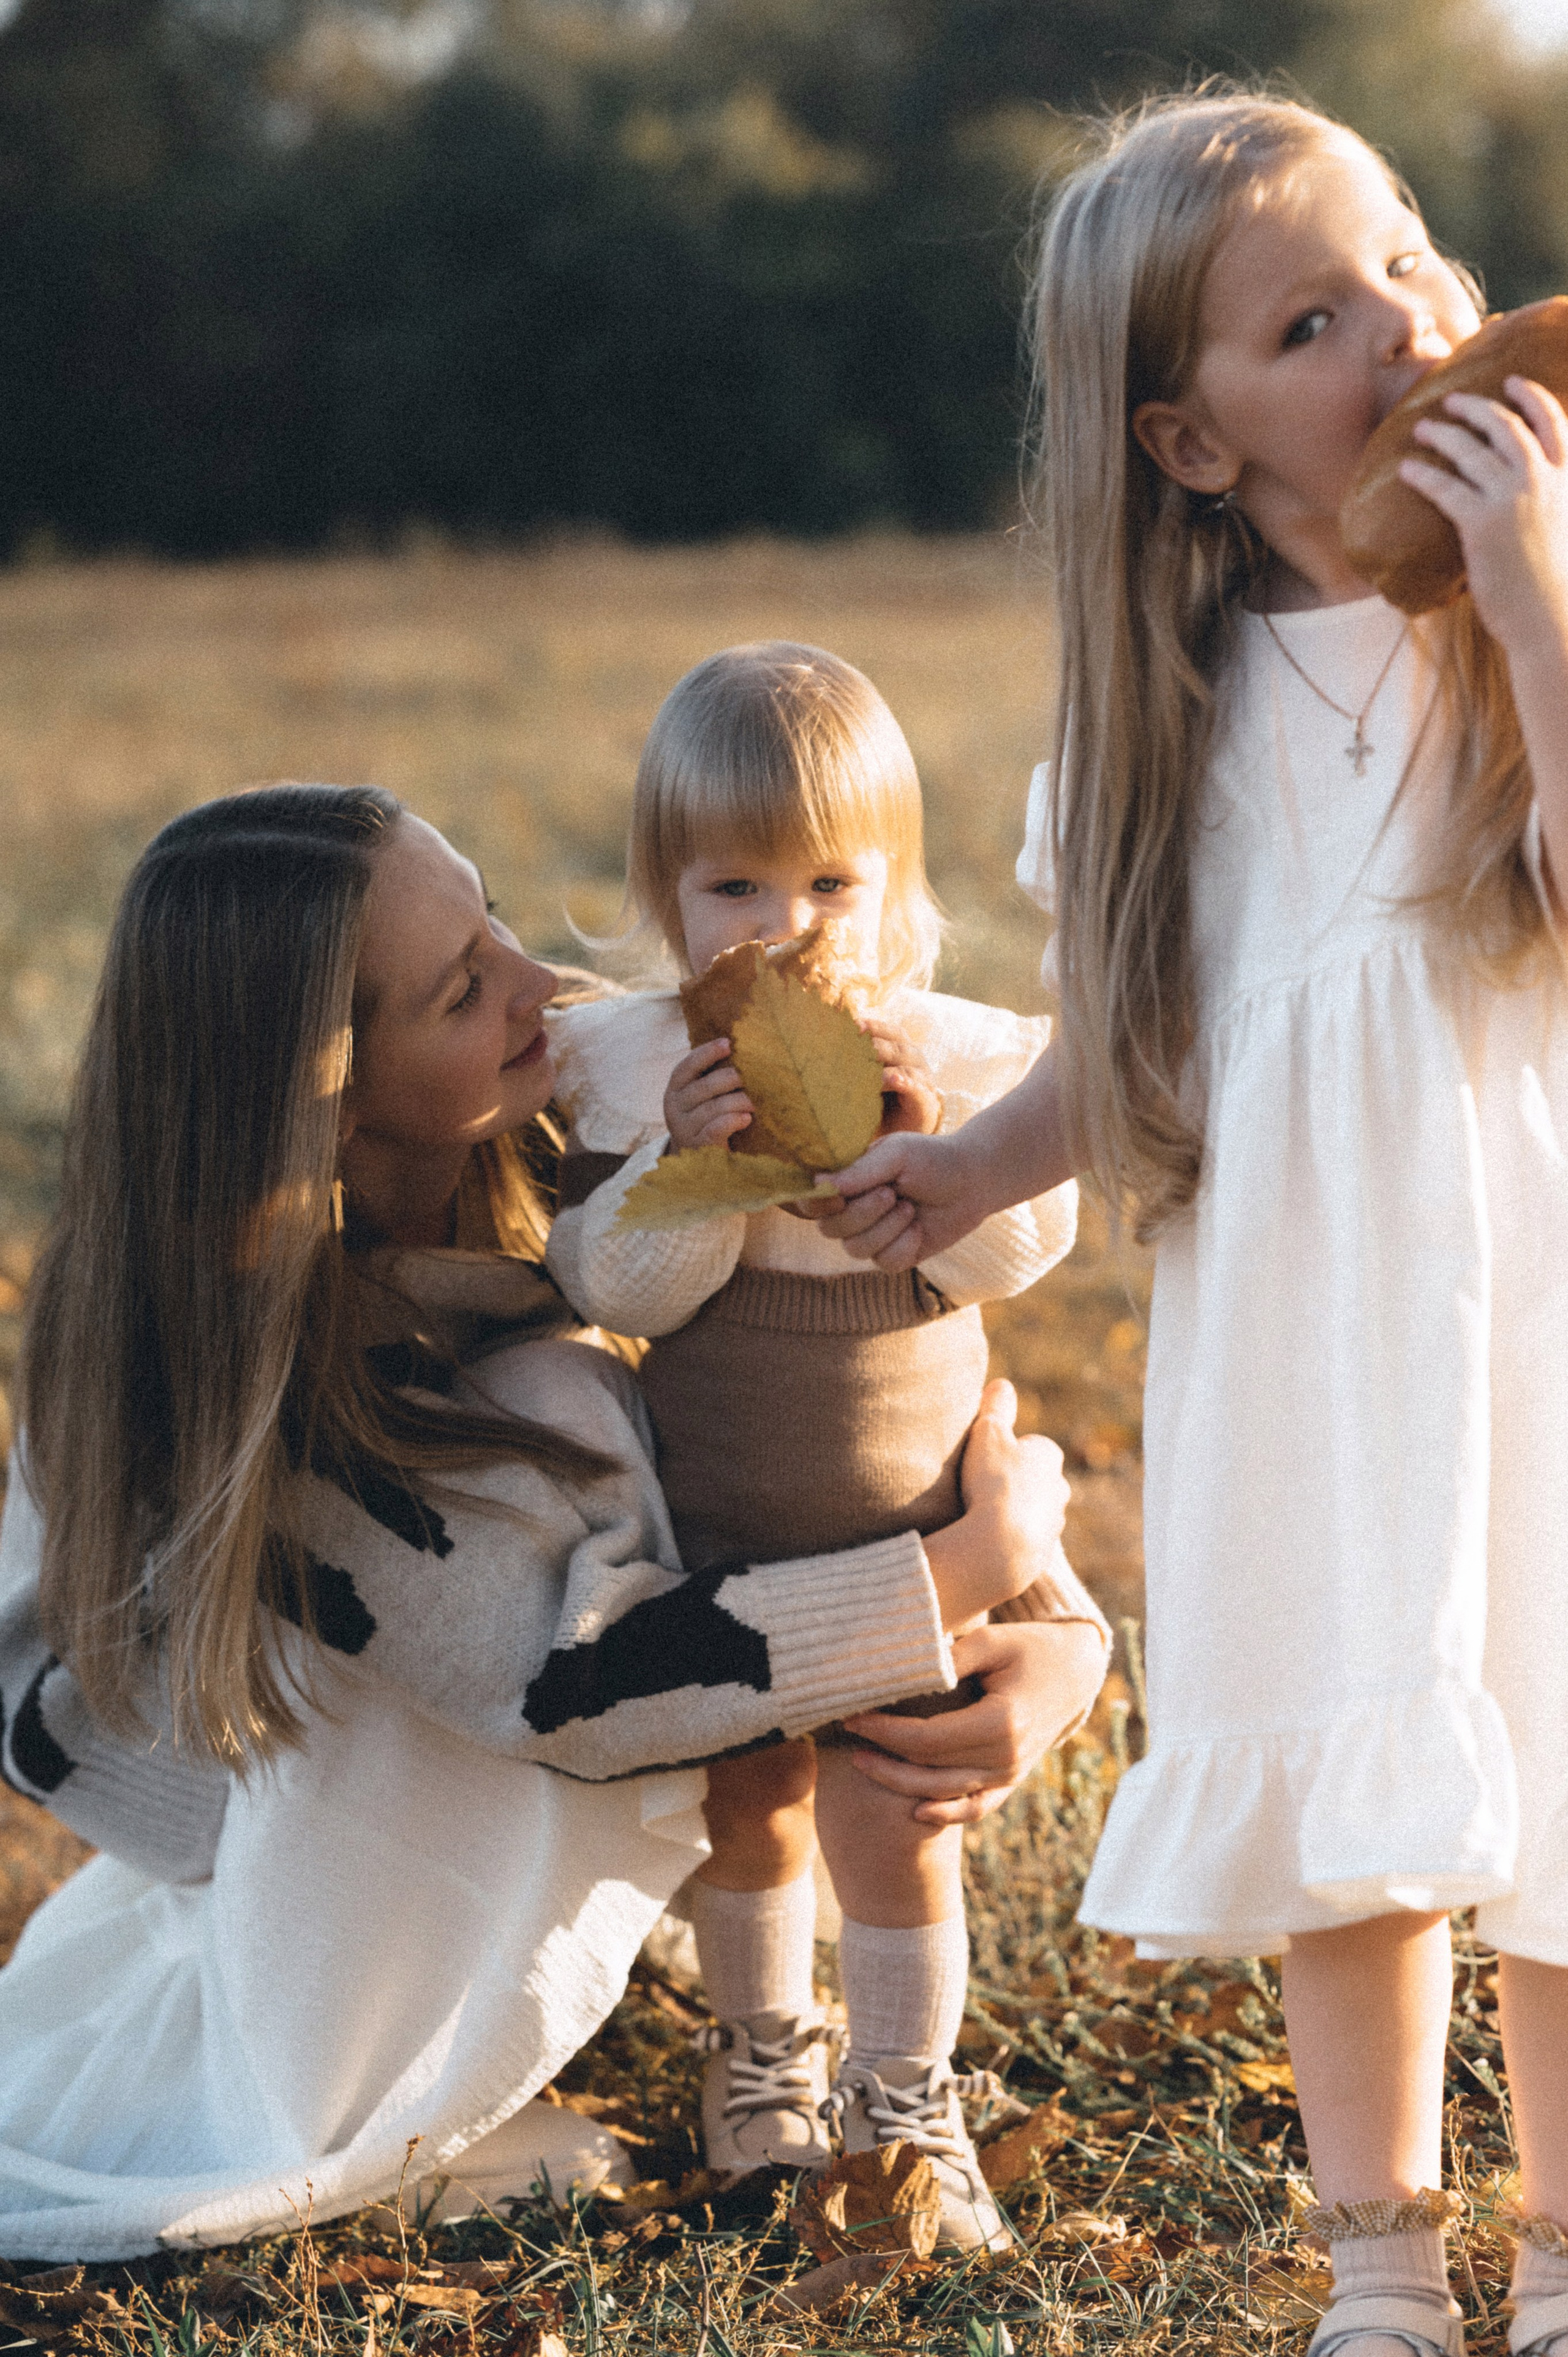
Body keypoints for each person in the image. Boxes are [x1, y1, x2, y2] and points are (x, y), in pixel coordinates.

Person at [821, 89, 1568, 2357]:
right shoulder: (1169, 728)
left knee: (1551, 1758)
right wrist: (970, 1163)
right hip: (1305, 1340)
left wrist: (1537, 598)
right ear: (1187, 438)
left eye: (1416, 260)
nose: (1413, 326)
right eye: (1315, 318)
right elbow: (1142, 1041)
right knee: (1357, 1766)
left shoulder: (1521, 645)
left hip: (1532, 1301)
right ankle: (1379, 2252)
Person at [0, 783, 1101, 2263]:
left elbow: (858, 1370)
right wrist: (962, 1570)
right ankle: (377, 2053)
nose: (546, 990)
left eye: (494, 922)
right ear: (323, 1092)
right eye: (466, 988)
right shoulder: (264, 1381)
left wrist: (1050, 1632)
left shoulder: (575, 1088)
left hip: (519, 1727)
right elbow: (566, 1686)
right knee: (550, 1432)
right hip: (368, 1809)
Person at [542, 643, 1098, 2246]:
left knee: (898, 1812)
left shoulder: (964, 1055)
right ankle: (763, 2058)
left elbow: (1025, 1250)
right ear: (669, 898)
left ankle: (905, 2094)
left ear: (898, 891)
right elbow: (612, 1286)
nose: (784, 930)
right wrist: (683, 1160)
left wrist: (950, 1162)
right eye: (734, 887)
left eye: (831, 884)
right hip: (725, 1526)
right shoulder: (642, 1067)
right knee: (752, 1798)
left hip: (909, 1525)